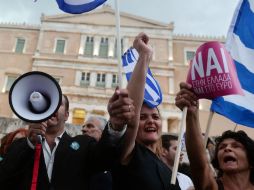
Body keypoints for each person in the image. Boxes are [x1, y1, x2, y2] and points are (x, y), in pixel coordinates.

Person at [0, 93, 134, 190]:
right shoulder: (21, 145)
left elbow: (105, 158)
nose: (52, 108)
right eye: (49, 104)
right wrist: (30, 145)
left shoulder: (84, 144)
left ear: (66, 115)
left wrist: (115, 126)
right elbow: (5, 177)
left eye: (58, 104)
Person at [108, 32, 180, 190]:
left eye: (155, 116)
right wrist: (144, 56)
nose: (151, 121)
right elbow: (131, 119)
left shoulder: (170, 172)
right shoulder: (129, 154)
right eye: (143, 117)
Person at [175, 82, 254, 190]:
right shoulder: (213, 187)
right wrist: (191, 115)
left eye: (236, 146)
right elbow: (200, 166)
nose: (227, 149)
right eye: (222, 147)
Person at [82, 115, 112, 190]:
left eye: (90, 126)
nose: (83, 129)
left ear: (103, 132)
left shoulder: (112, 160)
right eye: (83, 126)